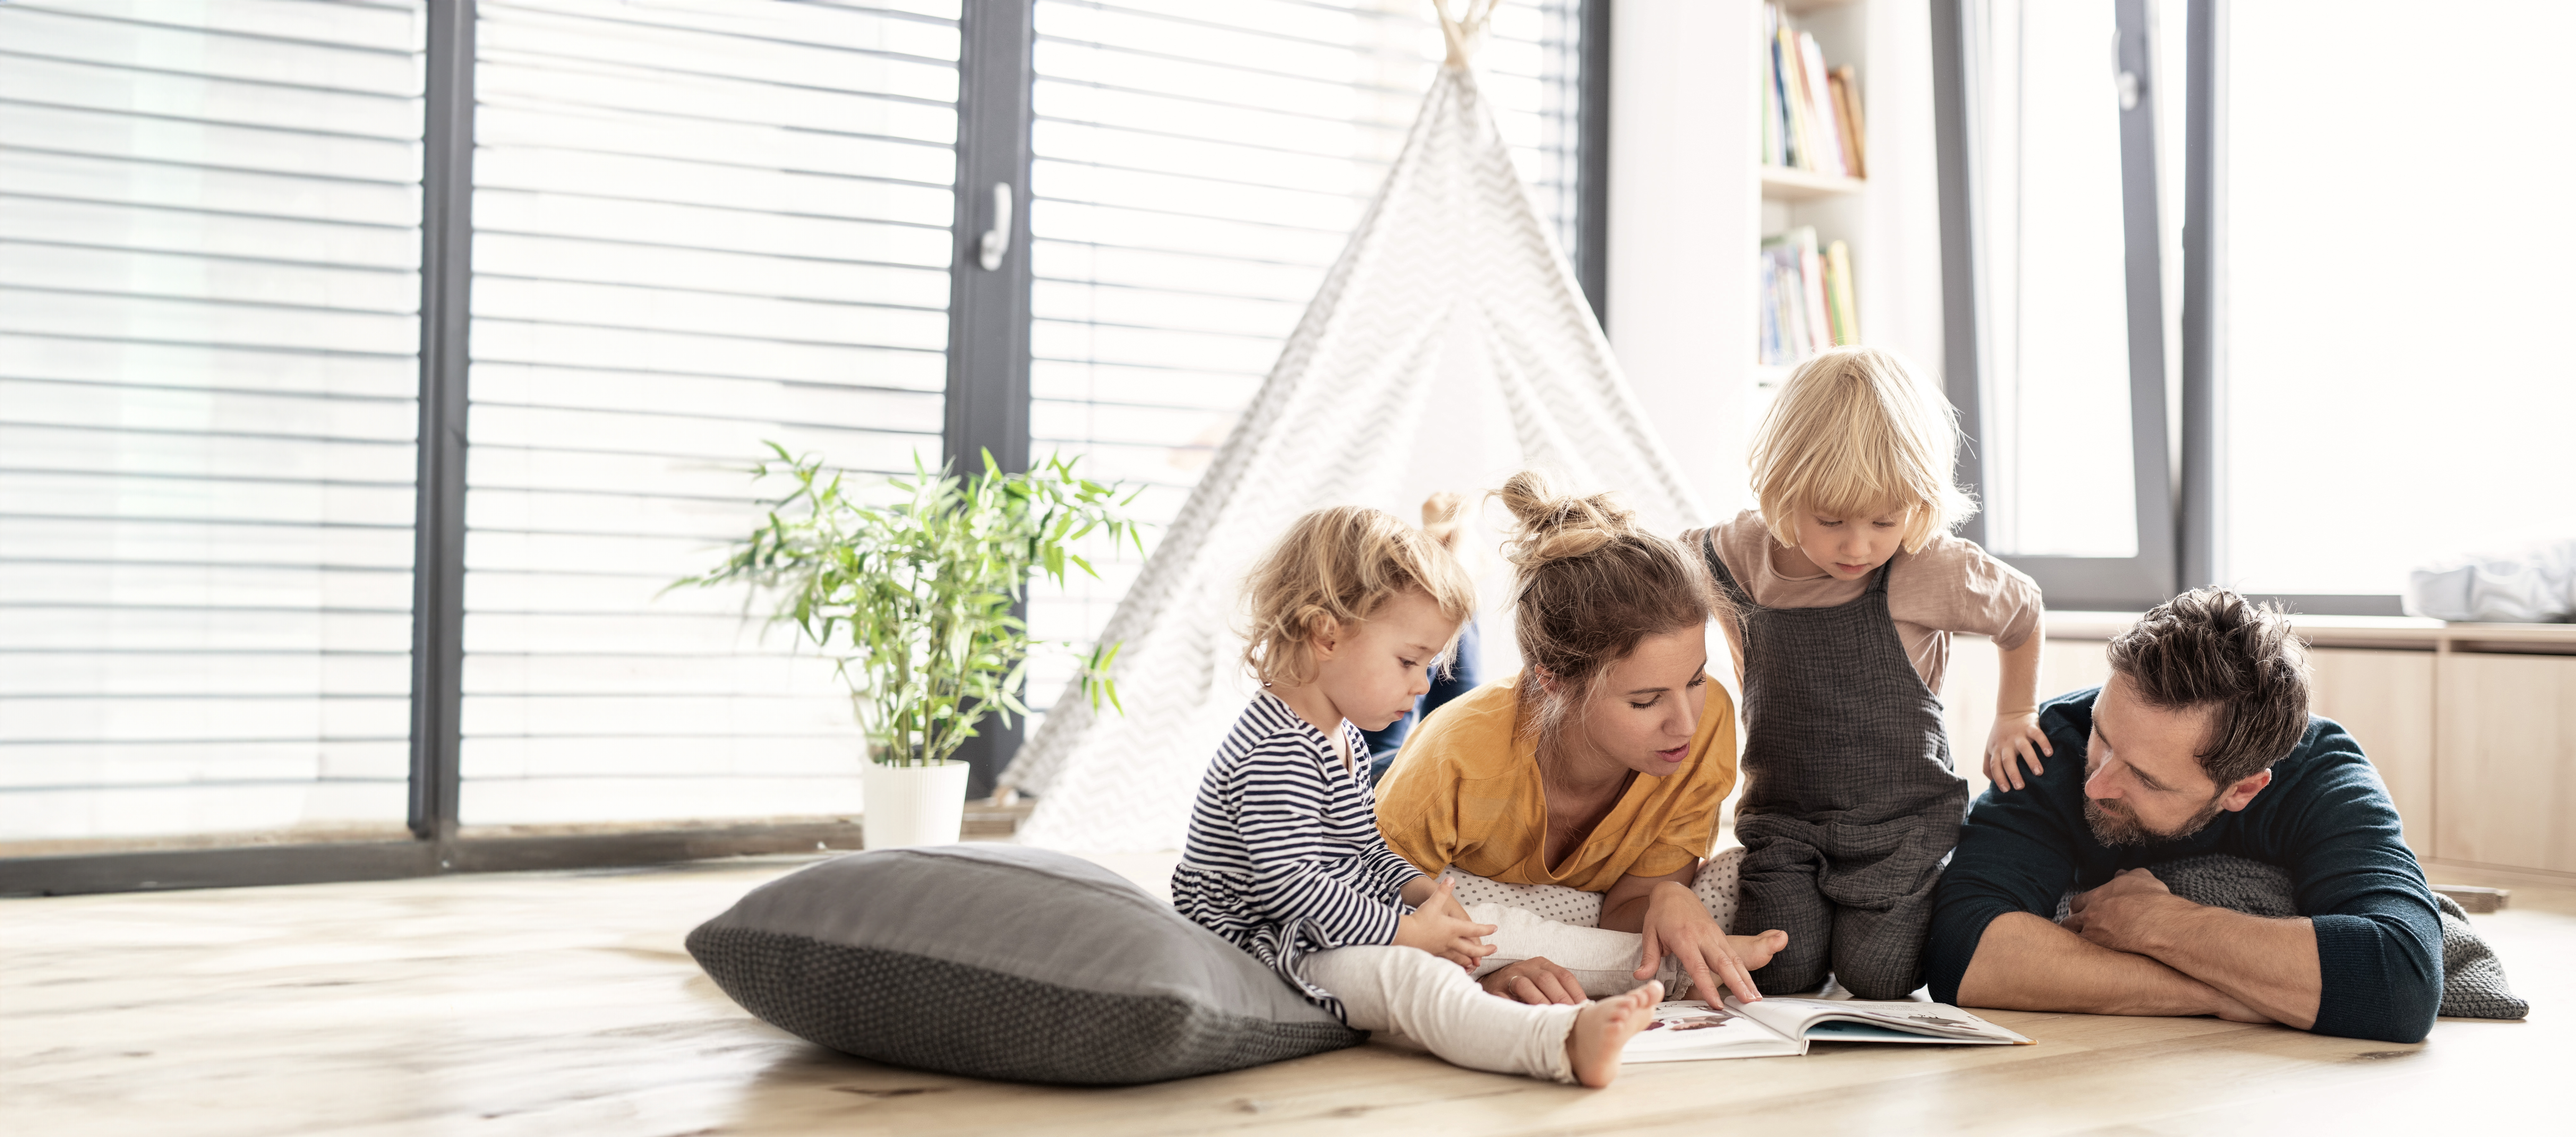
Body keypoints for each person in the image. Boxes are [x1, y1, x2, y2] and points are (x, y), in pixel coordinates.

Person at [1170, 505, 1664, 1087]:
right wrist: (1406, 934)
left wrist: (1424, 892)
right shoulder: (1276, 750)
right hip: (1271, 950)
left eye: (1428, 664)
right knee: (1414, 978)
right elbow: (1292, 888)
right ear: (1324, 634)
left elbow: (1365, 849)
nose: (1424, 683)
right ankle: (1557, 1044)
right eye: (1409, 661)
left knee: (1486, 924)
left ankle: (1674, 970)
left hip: (1327, 925)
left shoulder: (1341, 735)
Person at [1682, 345, 2043, 999]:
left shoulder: (1926, 567)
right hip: (1784, 821)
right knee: (1781, 974)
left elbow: (2022, 612)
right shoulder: (1736, 553)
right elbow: (1652, 572)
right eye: (1830, 521)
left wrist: (2013, 712)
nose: (1858, 547)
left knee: (1879, 976)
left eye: (1884, 520)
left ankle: (1938, 885)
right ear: (1782, 490)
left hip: (1898, 829)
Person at [1926, 589, 2444, 1045]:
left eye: (2147, 778)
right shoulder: (2054, 743)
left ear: (2243, 789)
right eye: (2103, 737)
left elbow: (2404, 981)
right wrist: (2219, 994)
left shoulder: (2323, 775)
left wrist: (2159, 924)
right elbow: (1960, 950)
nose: (2096, 783)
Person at [1377, 471, 1789, 1008]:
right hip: (1398, 770)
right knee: (1398, 702)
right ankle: (1445, 560)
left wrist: (1667, 896)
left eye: (1693, 680)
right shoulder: (1457, 754)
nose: (1685, 724)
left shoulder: (1704, 723)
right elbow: (1371, 911)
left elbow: (1622, 915)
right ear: (1552, 678)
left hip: (1519, 728)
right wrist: (1478, 979)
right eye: (1645, 701)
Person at [1360, 492, 1484, 784]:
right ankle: (1452, 578)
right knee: (1457, 736)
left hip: (1369, 765)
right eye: (1408, 663)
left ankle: (1452, 578)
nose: (1423, 685)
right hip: (1374, 775)